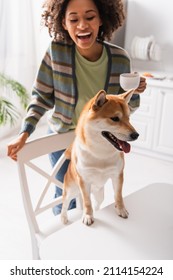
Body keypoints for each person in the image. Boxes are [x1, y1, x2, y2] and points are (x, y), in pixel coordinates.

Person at [7, 0, 146, 215]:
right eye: (74, 19)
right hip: (61, 137)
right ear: (63, 22)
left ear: (101, 19)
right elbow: (41, 98)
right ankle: (64, 240)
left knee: (92, 194)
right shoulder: (56, 52)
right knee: (66, 194)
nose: (82, 25)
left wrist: (134, 92)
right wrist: (24, 134)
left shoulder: (120, 58)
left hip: (99, 140)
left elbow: (128, 108)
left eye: (90, 17)